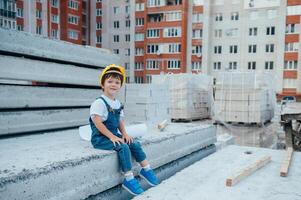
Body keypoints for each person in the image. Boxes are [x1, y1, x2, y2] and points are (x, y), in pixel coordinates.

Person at [89, 64, 159, 196]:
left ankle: (146, 169)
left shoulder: (117, 103)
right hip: (101, 138)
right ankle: (128, 178)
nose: (113, 84)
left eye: (117, 82)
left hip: (114, 135)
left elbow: (120, 121)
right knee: (123, 147)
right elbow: (97, 122)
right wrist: (112, 137)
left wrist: (125, 134)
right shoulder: (99, 103)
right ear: (102, 84)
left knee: (133, 143)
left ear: (120, 86)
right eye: (109, 81)